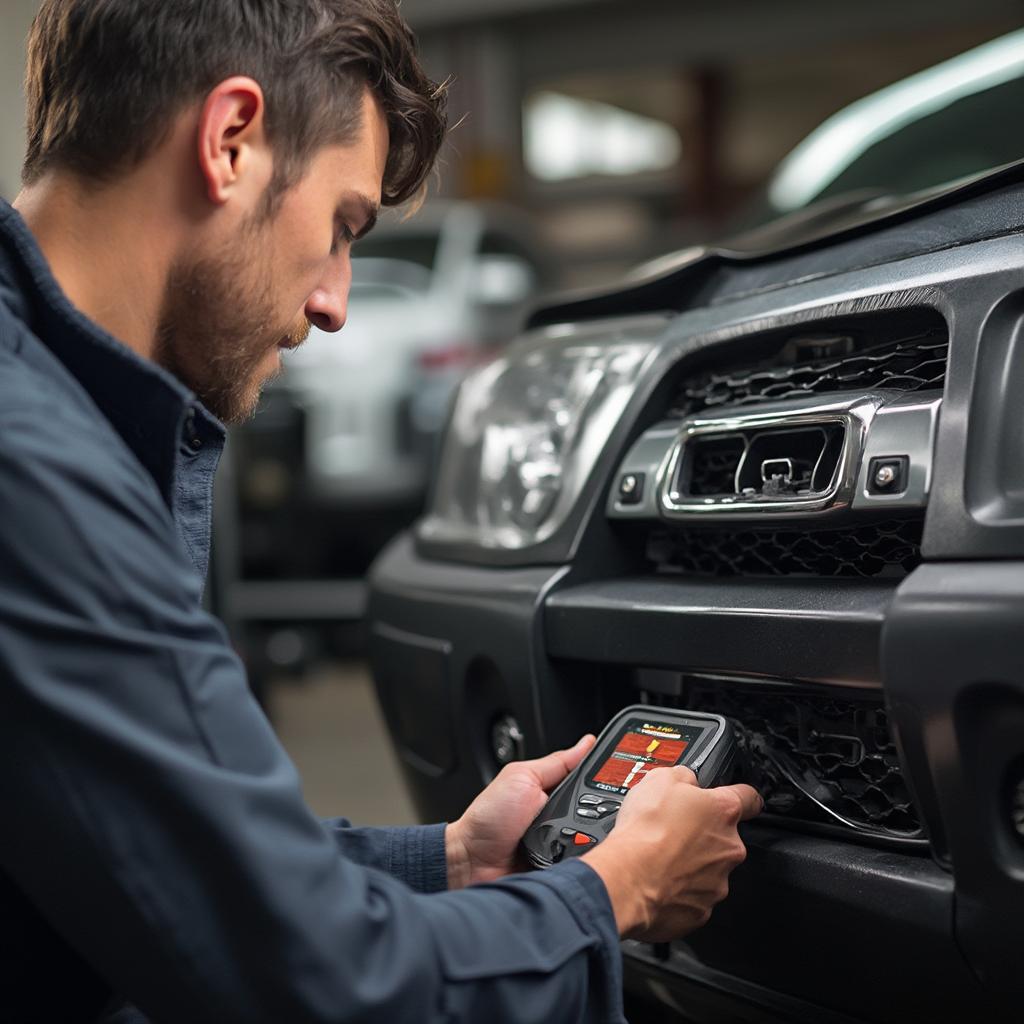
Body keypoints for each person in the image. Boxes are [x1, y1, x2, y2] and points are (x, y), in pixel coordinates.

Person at [0, 1, 762, 1021]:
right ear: (230, 142)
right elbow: (320, 983)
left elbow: (154, 842)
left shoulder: (45, 418)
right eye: (341, 227)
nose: (334, 303)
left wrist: (448, 858)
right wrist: (610, 892)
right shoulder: (41, 474)